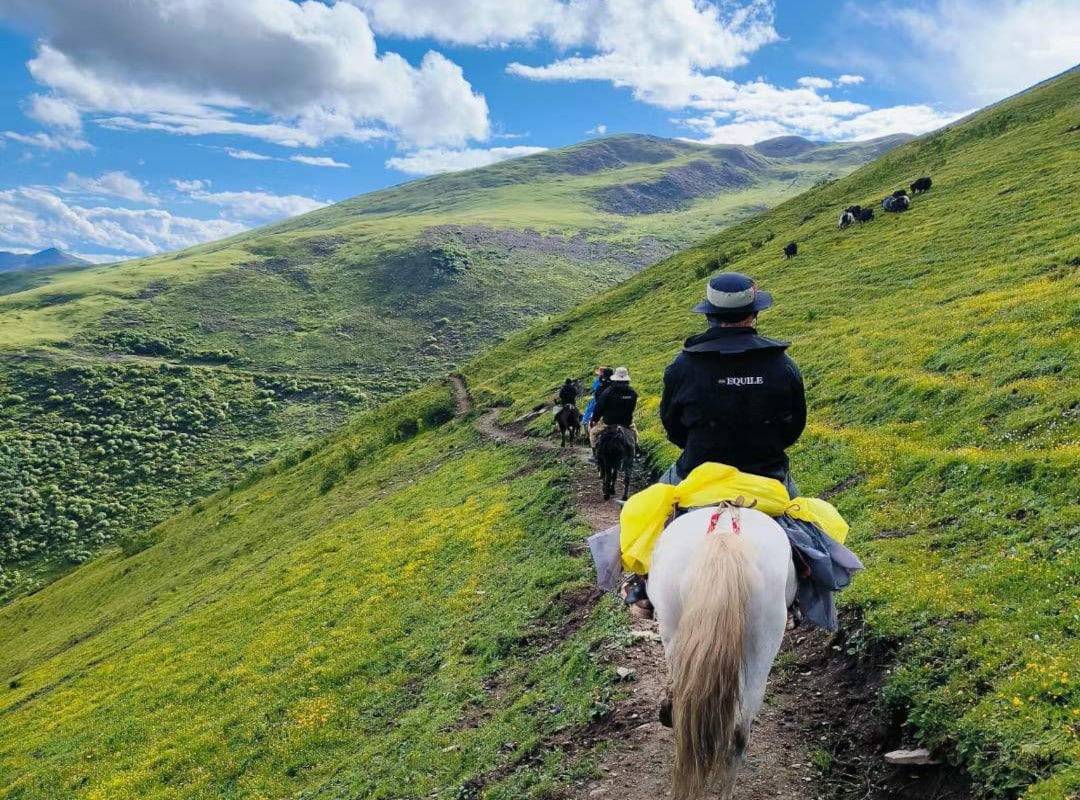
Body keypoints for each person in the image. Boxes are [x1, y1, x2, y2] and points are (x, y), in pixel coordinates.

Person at [658, 272, 805, 495]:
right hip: (768, 474)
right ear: (754, 312)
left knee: (647, 517)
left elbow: (672, 425)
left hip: (696, 470)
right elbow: (795, 425)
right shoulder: (783, 364)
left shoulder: (682, 365)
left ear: (709, 314)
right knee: (809, 523)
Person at [588, 366, 638, 455]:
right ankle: (636, 451)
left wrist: (594, 420)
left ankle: (595, 454)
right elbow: (632, 408)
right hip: (626, 422)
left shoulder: (607, 392)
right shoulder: (632, 393)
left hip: (609, 421)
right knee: (635, 434)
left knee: (593, 433)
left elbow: (599, 407)